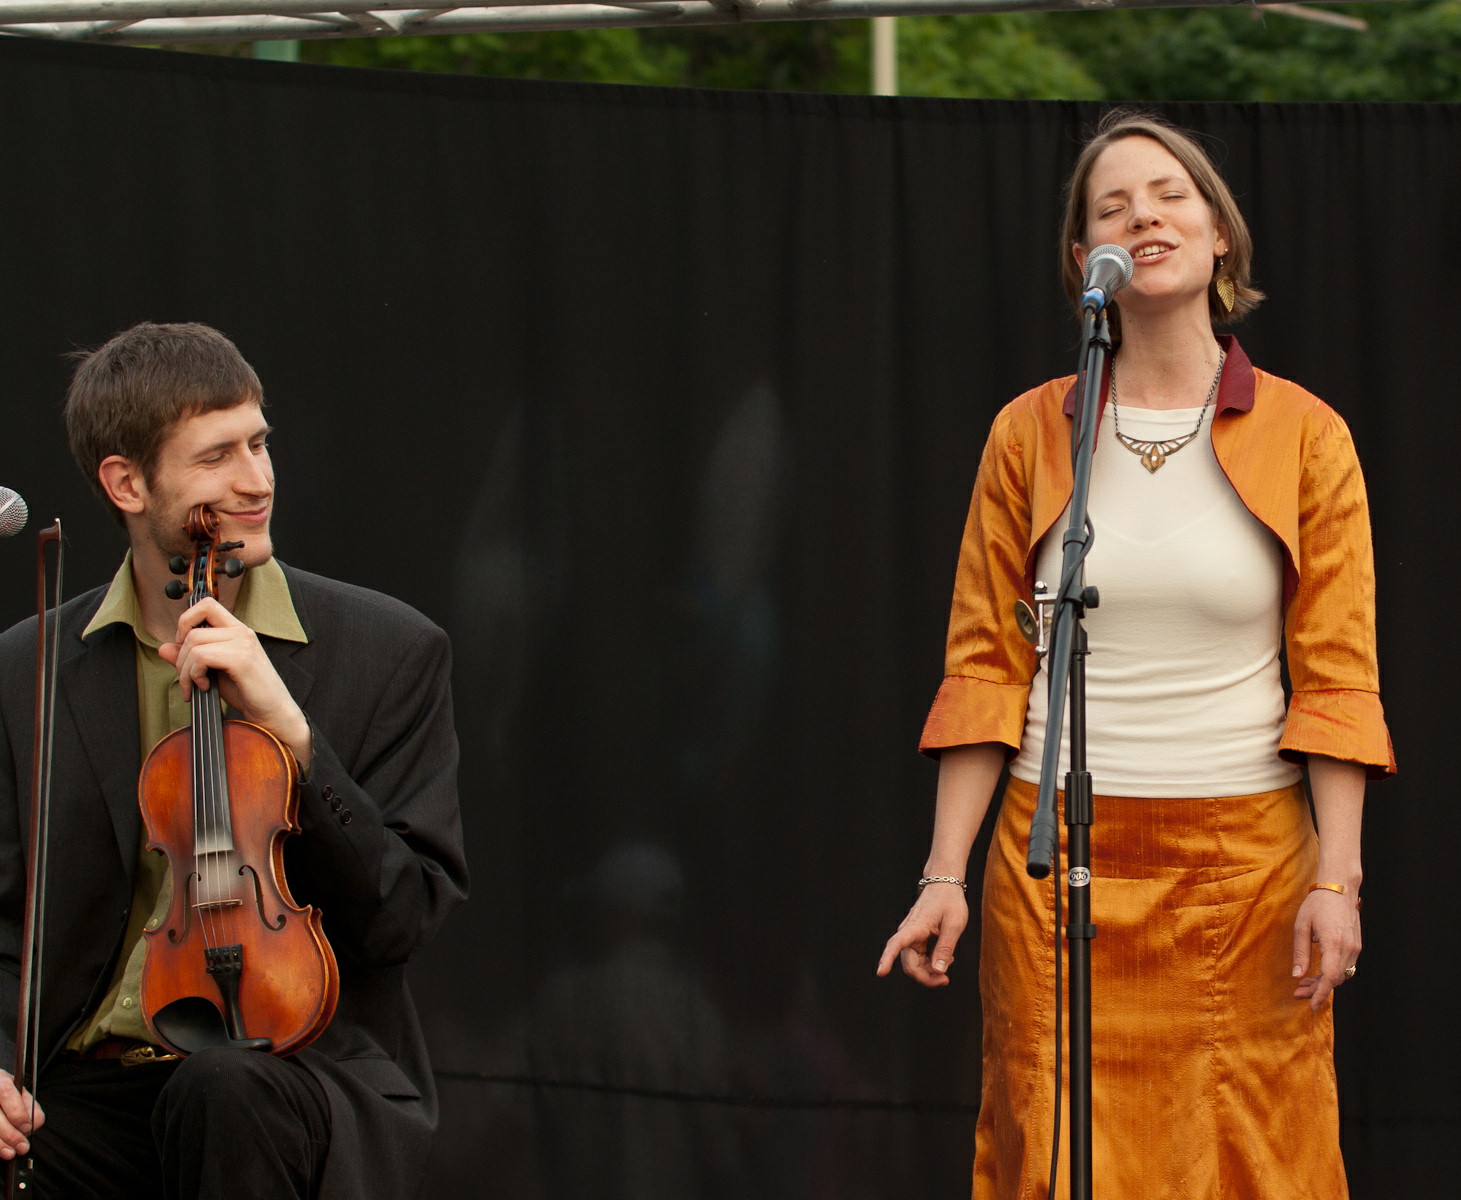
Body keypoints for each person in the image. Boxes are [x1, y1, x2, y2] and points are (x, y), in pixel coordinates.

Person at [877, 110, 1393, 1198]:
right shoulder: (1029, 432)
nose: (1142, 218)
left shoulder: (1307, 434)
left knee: (1254, 1155)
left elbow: (1338, 676)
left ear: (1219, 233)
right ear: (1085, 261)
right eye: (1110, 209)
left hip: (1246, 873)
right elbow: (985, 666)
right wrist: (943, 874)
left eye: (1167, 196)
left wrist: (1336, 881)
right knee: (1053, 1150)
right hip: (1054, 863)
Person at [0, 322, 469, 1198]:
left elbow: (402, 918)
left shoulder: (391, 652)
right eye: (217, 456)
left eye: (259, 442)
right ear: (127, 483)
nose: (257, 480)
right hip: (86, 1080)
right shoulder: (25, 669)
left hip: (292, 1070)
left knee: (223, 1088)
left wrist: (294, 736)